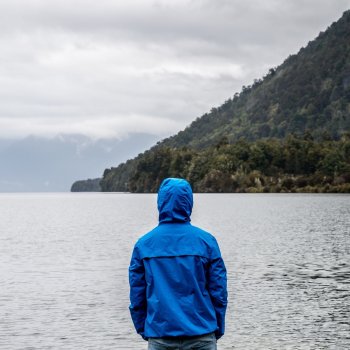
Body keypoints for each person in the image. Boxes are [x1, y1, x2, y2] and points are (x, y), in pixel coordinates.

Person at [129, 178, 227, 350]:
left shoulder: (144, 245)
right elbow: (219, 293)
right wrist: (216, 327)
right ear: (189, 202)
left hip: (160, 336)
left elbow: (137, 297)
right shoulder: (207, 242)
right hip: (202, 334)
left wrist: (144, 329)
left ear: (160, 202)